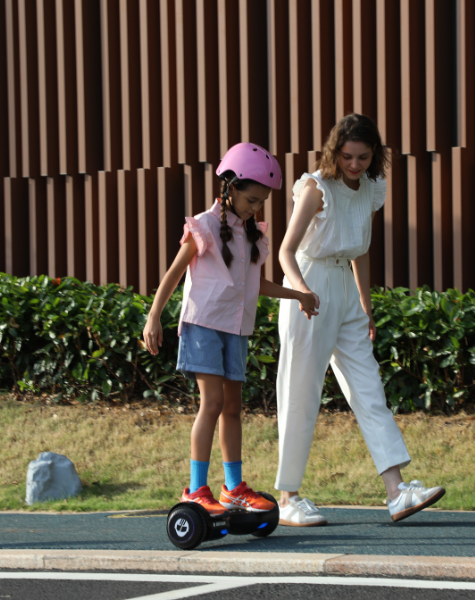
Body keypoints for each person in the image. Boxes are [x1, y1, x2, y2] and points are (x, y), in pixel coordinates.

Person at [275, 114, 445, 526]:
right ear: (335, 152)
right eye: (348, 157)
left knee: (369, 388)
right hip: (309, 282)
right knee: (301, 390)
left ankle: (396, 492)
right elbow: (284, 250)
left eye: (363, 157)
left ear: (375, 155)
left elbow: (361, 250)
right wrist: (300, 291)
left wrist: (365, 306)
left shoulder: (370, 188)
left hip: (345, 292)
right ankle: (288, 498)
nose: (355, 165)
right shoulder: (316, 188)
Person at [143, 143, 318, 517]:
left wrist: (298, 294)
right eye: (251, 199)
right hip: (203, 325)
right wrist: (154, 316)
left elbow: (258, 284)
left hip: (236, 329)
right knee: (214, 403)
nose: (256, 208)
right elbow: (175, 272)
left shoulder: (252, 235)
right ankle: (195, 489)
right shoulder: (204, 226)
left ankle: (233, 488)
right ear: (230, 186)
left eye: (262, 202)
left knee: (234, 407)